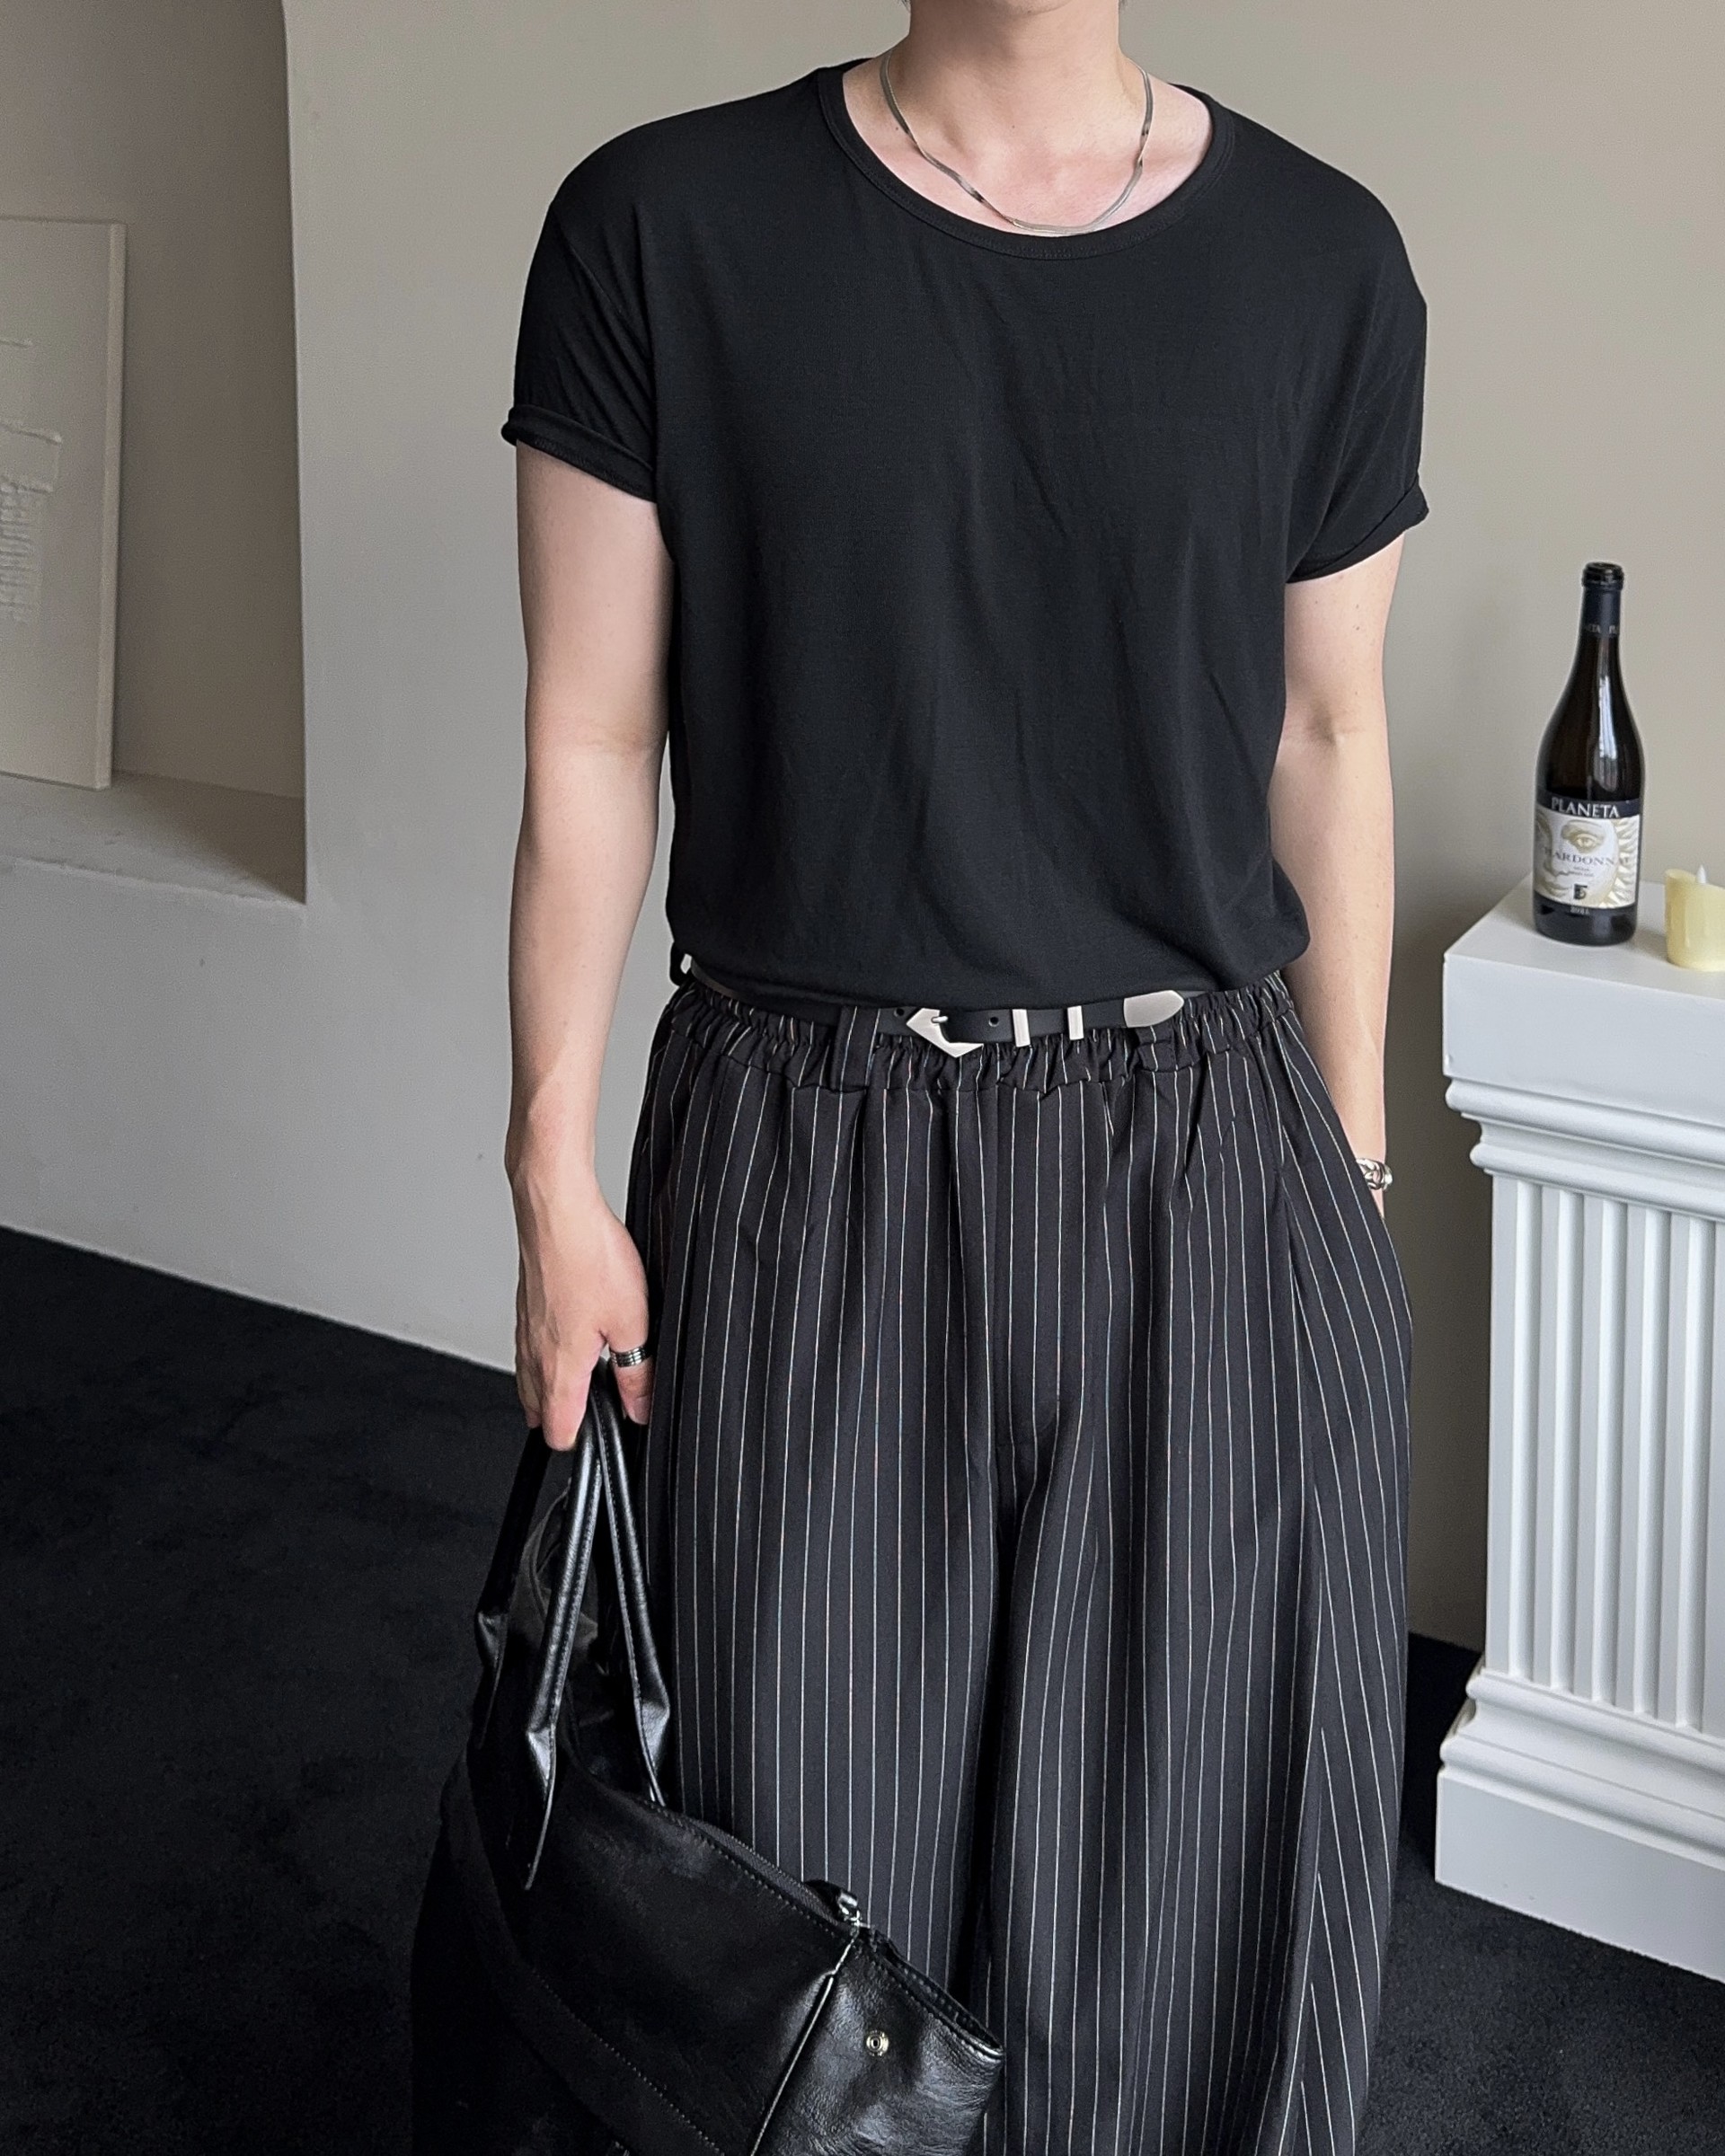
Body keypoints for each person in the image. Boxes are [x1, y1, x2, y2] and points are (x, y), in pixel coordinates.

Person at [500, 3, 1424, 2149]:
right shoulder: (661, 226)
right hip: (802, 1153)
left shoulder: (1325, 260)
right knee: (793, 1926)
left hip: (1211, 1155)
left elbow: (1328, 734)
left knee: (1189, 1904)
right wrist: (550, 1168)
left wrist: (1355, 1179)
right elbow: (587, 735)